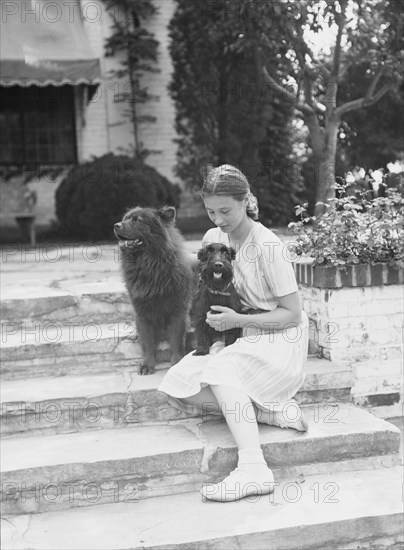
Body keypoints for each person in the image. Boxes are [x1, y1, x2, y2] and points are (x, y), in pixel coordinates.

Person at [158, 164, 309, 502]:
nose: (218, 219)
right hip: (237, 335)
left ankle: (253, 468)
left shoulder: (269, 246)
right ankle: (267, 409)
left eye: (225, 210)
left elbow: (293, 315)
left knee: (220, 370)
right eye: (211, 211)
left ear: (245, 201)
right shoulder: (215, 240)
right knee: (177, 383)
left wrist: (237, 321)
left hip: (278, 337)